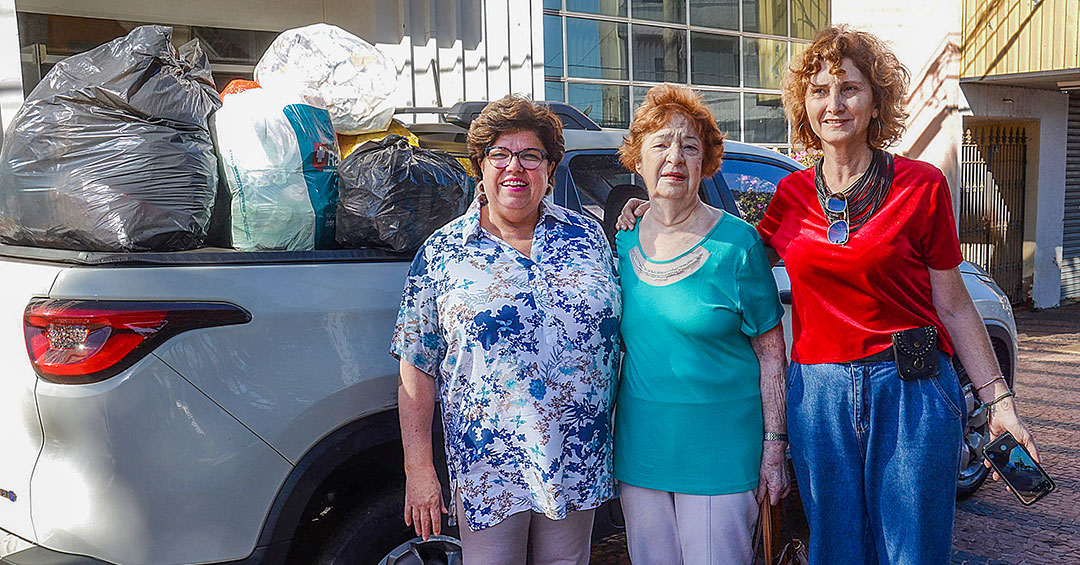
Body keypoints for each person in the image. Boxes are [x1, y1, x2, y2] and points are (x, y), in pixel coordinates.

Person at [617, 25, 1042, 565]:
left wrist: (998, 400)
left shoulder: (922, 185)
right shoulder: (791, 195)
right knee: (834, 551)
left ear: (874, 101)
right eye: (819, 91)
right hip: (818, 397)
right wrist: (649, 216)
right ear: (804, 106)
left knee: (911, 553)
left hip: (909, 390)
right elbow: (724, 251)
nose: (834, 104)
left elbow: (954, 303)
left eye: (849, 89)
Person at [391, 94, 621, 565]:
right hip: (488, 463)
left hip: (575, 458)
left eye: (530, 155)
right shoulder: (443, 253)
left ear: (550, 168)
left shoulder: (589, 238)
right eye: (500, 154)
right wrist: (419, 470)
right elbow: (416, 367)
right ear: (481, 165)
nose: (514, 167)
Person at [613, 84, 790, 565]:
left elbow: (772, 354)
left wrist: (775, 446)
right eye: (661, 144)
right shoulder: (622, 238)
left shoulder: (738, 244)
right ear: (638, 159)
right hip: (641, 450)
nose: (675, 157)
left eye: (690, 146)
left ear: (706, 161)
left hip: (721, 451)